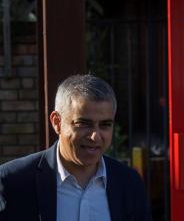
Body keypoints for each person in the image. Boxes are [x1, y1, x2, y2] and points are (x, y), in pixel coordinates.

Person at [0, 74, 151, 221]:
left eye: (105, 125)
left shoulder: (129, 183)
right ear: (57, 122)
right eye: (83, 124)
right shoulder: (12, 181)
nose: (95, 136)